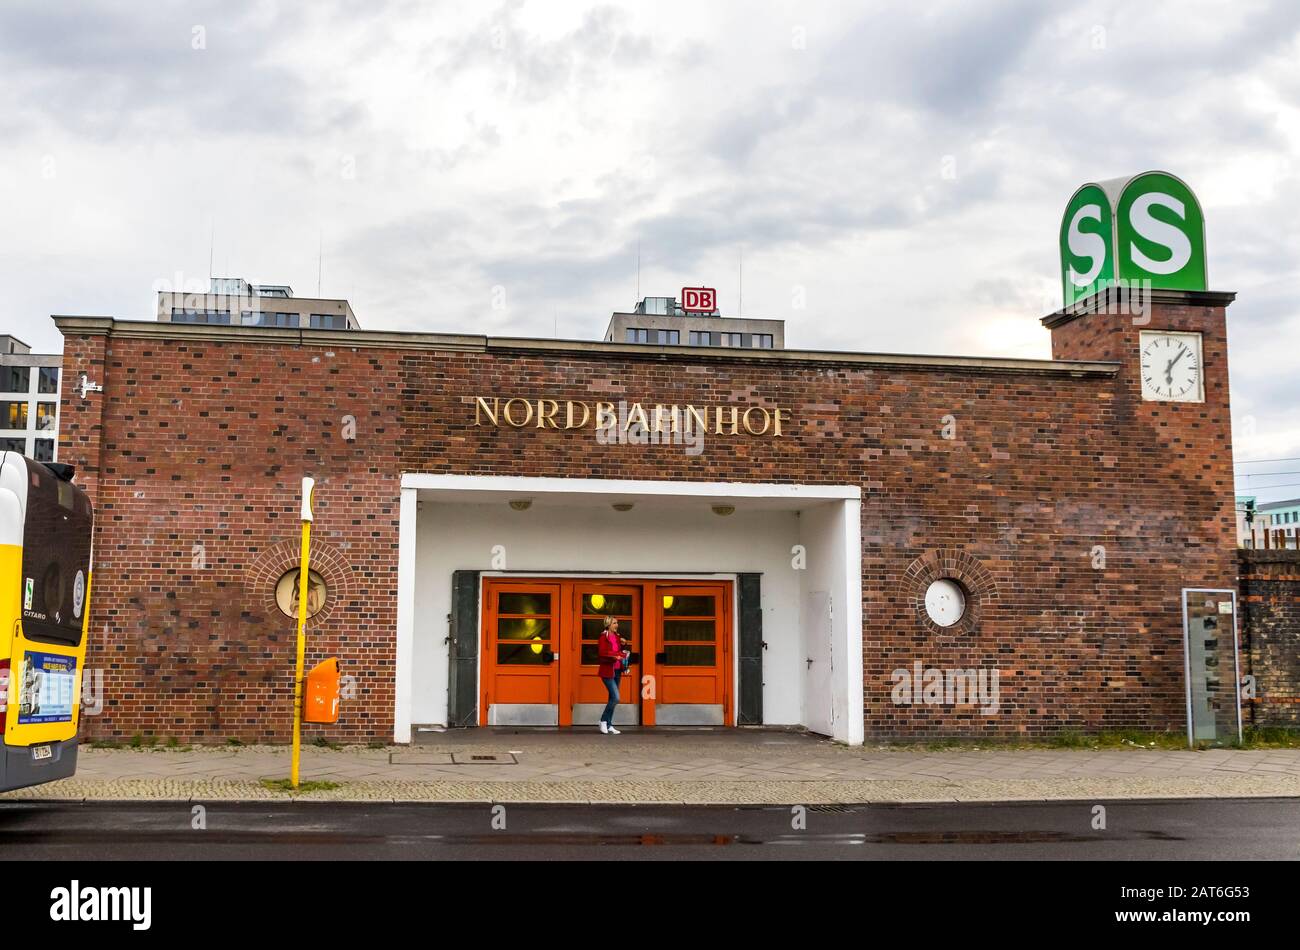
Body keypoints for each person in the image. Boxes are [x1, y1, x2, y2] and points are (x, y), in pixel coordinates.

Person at [596, 616, 629, 735]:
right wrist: (614, 657)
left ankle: (609, 724)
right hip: (607, 671)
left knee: (612, 698)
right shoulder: (603, 637)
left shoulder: (617, 637)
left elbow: (620, 652)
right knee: (616, 697)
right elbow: (602, 654)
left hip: (617, 671)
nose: (617, 625)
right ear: (608, 624)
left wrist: (624, 645)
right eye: (614, 623)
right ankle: (603, 720)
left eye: (617, 623)